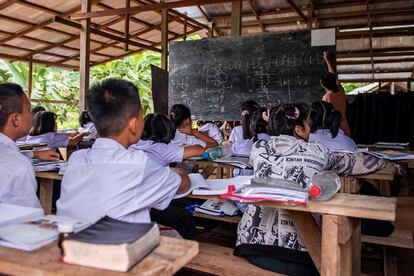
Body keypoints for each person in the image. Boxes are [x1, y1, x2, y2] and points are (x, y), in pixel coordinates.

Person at [57, 79, 190, 224]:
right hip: (122, 245)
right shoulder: (138, 163)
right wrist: (176, 171)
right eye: (141, 116)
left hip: (72, 242)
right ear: (133, 124)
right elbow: (183, 184)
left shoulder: (76, 159)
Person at [234, 103, 333, 275]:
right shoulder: (319, 151)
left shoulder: (258, 149)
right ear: (299, 129)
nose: (311, 128)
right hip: (305, 255)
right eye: (308, 124)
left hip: (252, 248)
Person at [0, 83, 56, 208]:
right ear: (16, 119)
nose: (32, 116)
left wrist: (34, 154)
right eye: (29, 110)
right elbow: (31, 217)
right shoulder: (20, 166)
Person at [130, 113, 205, 167]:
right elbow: (200, 150)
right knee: (184, 169)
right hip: (154, 184)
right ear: (166, 131)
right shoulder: (163, 149)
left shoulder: (132, 144)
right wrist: (184, 147)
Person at [321, 51, 351, 136]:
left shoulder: (327, 97)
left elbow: (325, 116)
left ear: (322, 85)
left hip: (334, 129)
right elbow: (333, 76)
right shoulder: (340, 91)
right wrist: (327, 60)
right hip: (345, 126)